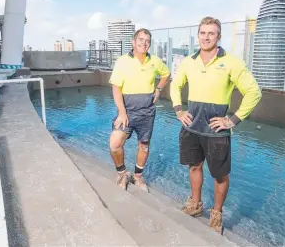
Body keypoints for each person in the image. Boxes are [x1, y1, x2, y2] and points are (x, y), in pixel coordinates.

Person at [170, 16, 262, 233]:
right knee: (194, 166)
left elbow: (254, 92)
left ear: (218, 36)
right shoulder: (188, 61)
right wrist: (178, 110)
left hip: (216, 131)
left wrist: (232, 120)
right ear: (198, 35)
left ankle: (217, 213)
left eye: (211, 33)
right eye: (202, 33)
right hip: (191, 127)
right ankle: (196, 204)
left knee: (220, 175)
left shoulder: (231, 62)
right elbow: (175, 86)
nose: (206, 37)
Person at [108, 28, 170, 192]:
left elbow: (166, 74)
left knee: (144, 146)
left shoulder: (154, 61)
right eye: (141, 40)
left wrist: (158, 89)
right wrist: (122, 112)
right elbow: (116, 88)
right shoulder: (122, 61)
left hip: (147, 112)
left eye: (147, 41)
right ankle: (122, 173)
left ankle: (138, 176)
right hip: (127, 111)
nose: (144, 43)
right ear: (133, 42)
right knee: (115, 144)